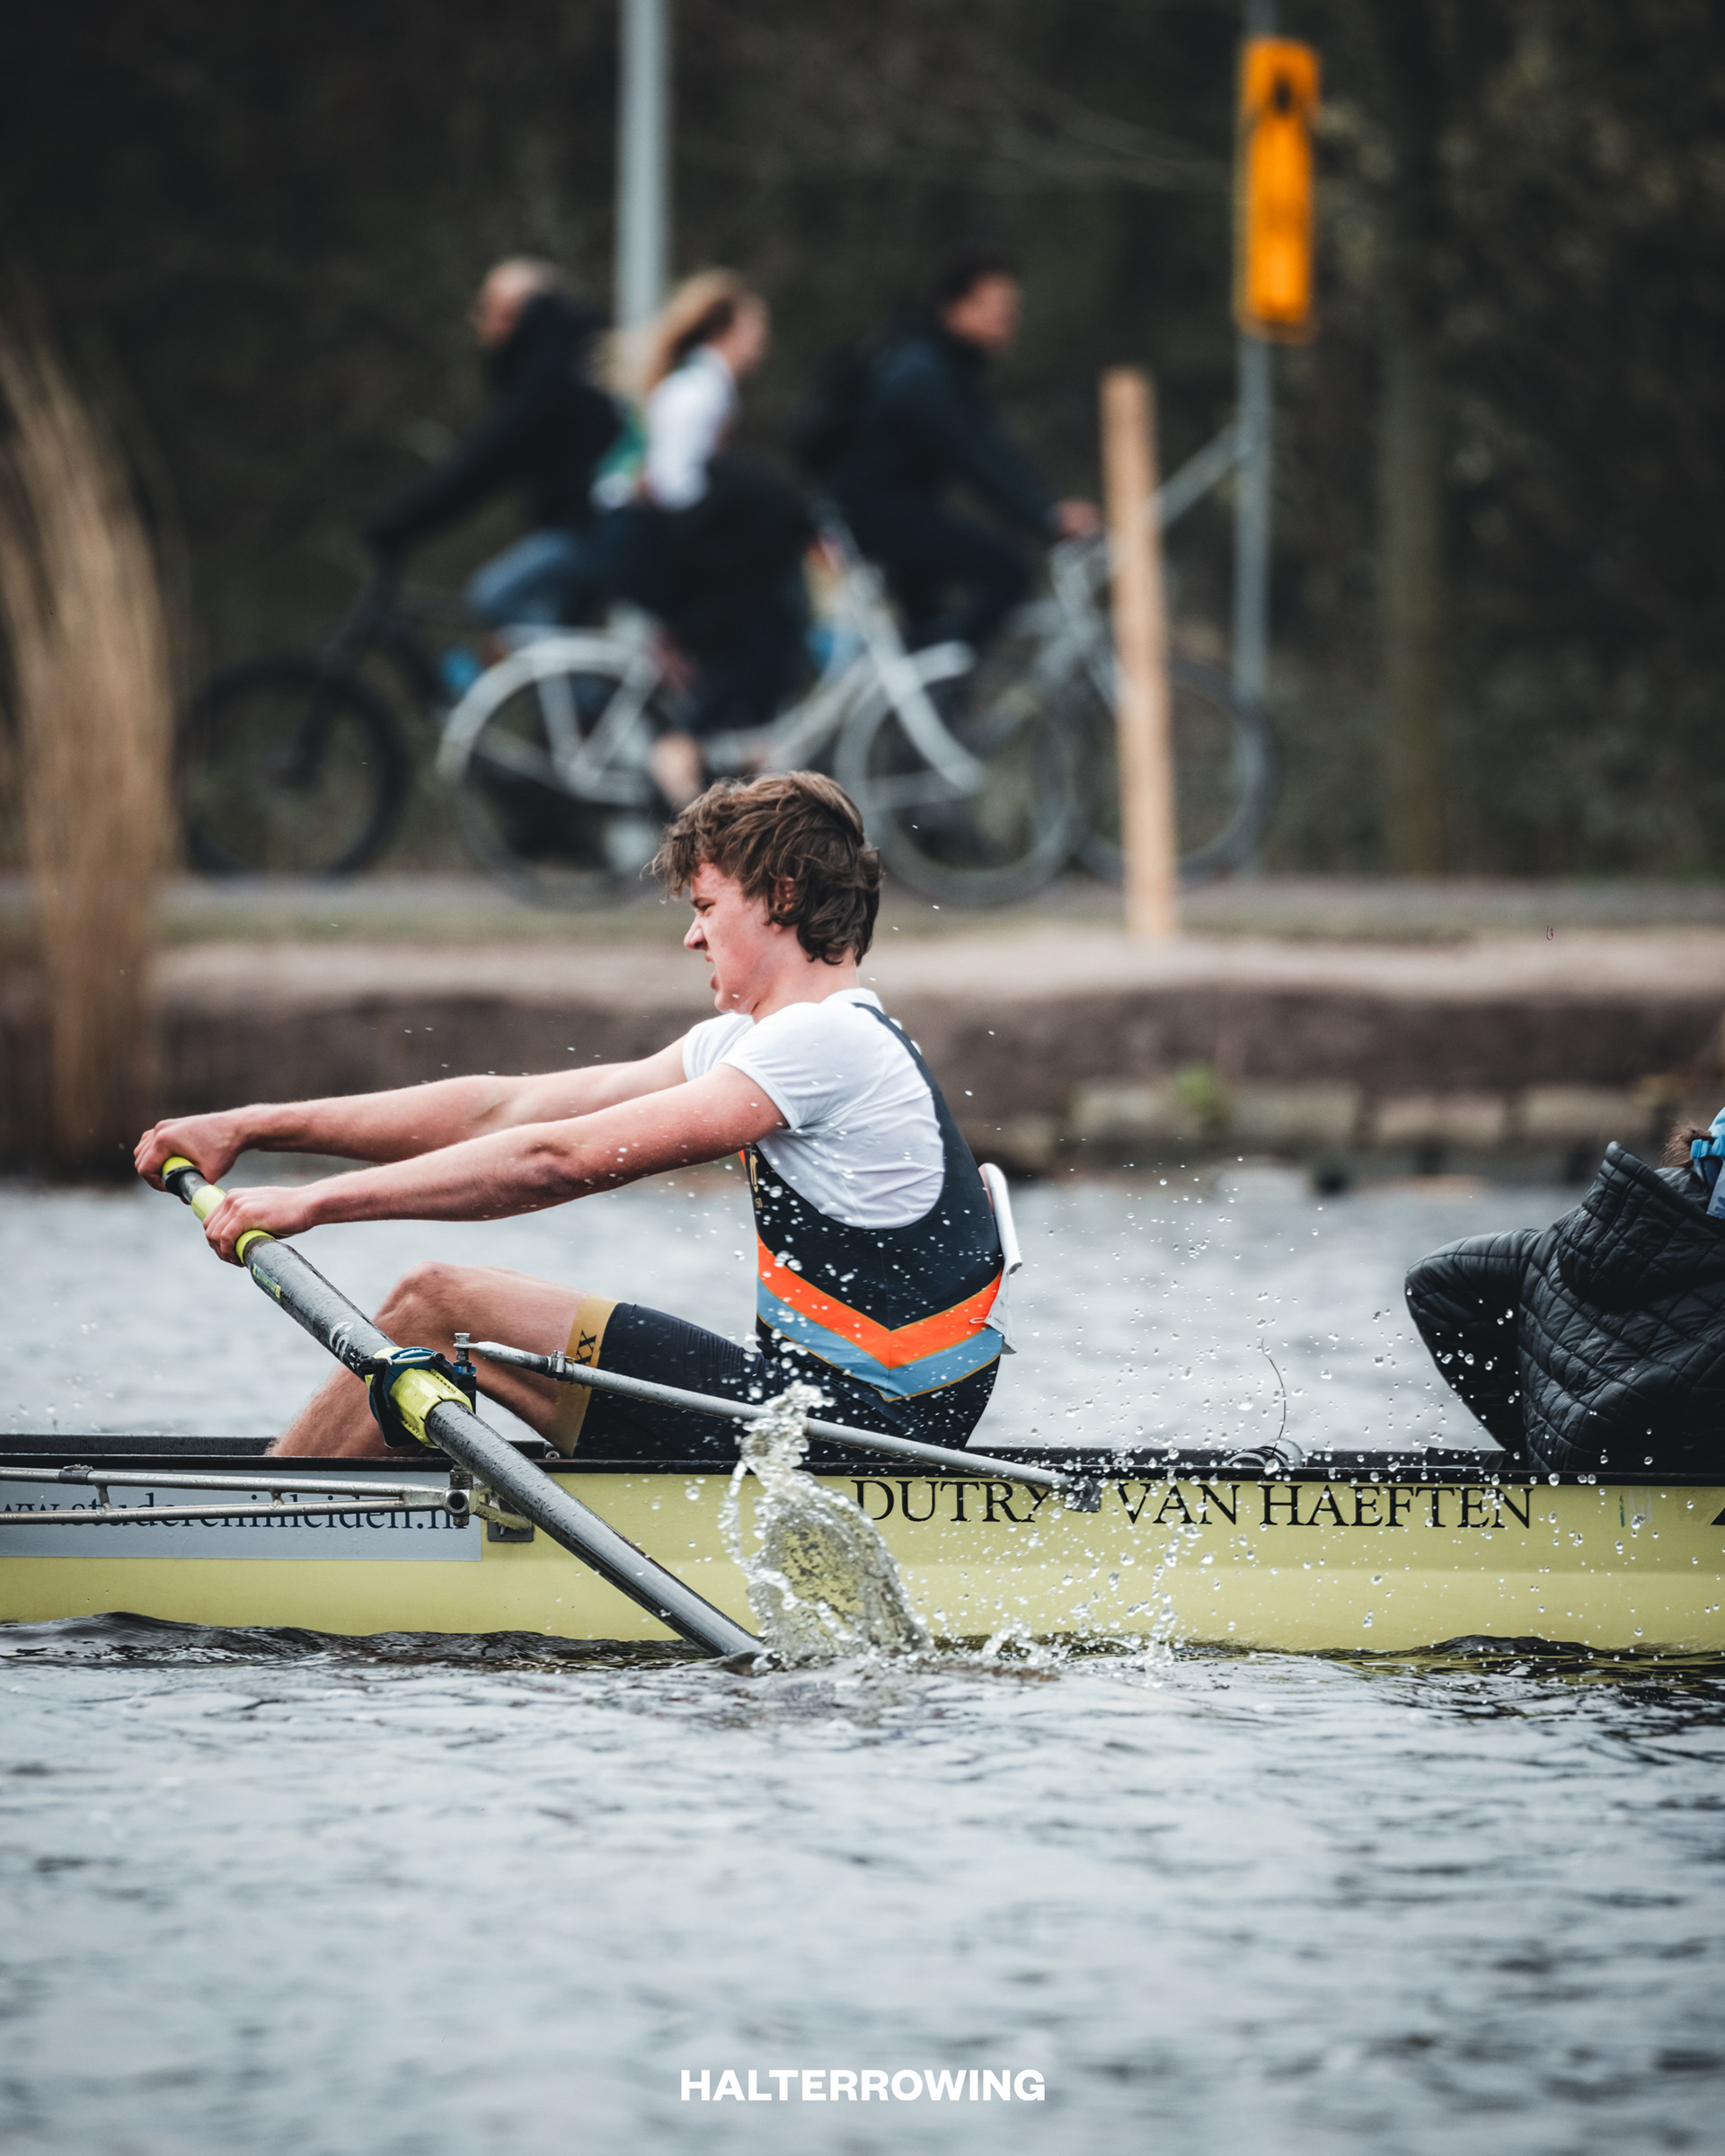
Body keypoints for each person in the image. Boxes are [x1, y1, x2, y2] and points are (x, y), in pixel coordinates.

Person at [134, 773, 1008, 1463]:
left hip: (859, 1443)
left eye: (706, 908)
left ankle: (269, 1530)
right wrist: (254, 1125)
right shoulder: (756, 1042)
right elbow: (502, 1110)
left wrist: (313, 1203)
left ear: (781, 896)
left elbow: (556, 1160)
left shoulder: (826, 1042)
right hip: (809, 1418)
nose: (692, 938)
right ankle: (352, 1530)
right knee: (452, 1311)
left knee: (440, 1306)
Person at [824, 251, 1100, 663]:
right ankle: (946, 680)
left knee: (928, 632)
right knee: (1009, 571)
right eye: (999, 308)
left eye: (1013, 310)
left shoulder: (941, 365)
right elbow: (979, 458)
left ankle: (930, 688)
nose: (1009, 319)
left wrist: (1045, 509)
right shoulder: (923, 374)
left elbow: (996, 451)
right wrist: (1047, 517)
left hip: (890, 512)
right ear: (956, 308)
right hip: (877, 515)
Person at [1405, 1123, 1725, 1476]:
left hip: (1563, 1470)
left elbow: (1433, 1279)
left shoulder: (1612, 1211)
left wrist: (1528, 1437)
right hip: (1663, 1485)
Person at [606, 272, 811, 812]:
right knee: (756, 635)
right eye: (754, 329)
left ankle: (735, 756)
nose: (761, 342)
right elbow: (675, 488)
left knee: (745, 635)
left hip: (655, 536)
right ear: (727, 331)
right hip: (648, 539)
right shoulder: (698, 391)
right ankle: (682, 748)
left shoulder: (701, 387)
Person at [362, 258, 621, 630]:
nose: (478, 321)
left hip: (594, 530)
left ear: (512, 313)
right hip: (593, 528)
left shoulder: (549, 374)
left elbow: (486, 461)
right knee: (543, 624)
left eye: (486, 309)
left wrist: (402, 523)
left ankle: (566, 672)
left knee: (495, 595)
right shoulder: (572, 356)